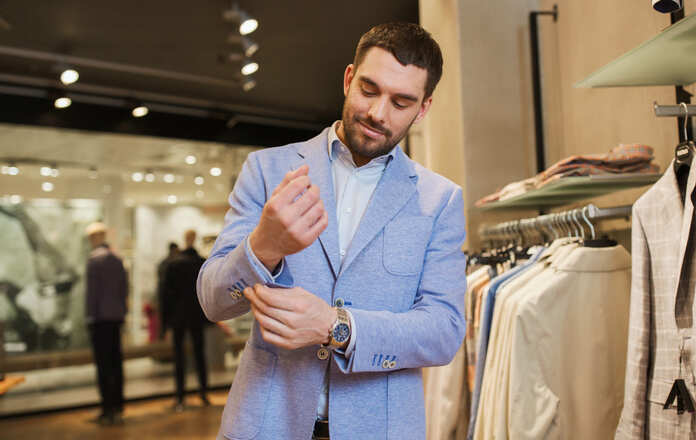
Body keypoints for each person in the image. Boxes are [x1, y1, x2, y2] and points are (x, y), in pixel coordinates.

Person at [197, 22, 467, 440]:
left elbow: (443, 331)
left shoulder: (439, 201)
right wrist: (263, 246)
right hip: (268, 424)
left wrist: (334, 325)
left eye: (401, 102)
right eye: (370, 90)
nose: (378, 113)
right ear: (348, 79)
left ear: (423, 109)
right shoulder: (267, 171)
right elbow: (214, 302)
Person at [84, 222, 128, 425]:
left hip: (100, 319)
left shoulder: (94, 261)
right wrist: (122, 313)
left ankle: (106, 409)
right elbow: (124, 289)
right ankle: (118, 405)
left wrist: (89, 317)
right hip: (116, 318)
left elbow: (92, 295)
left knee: (103, 365)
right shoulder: (117, 260)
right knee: (116, 362)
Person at [163, 229, 210, 411]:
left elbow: (167, 295)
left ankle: (181, 396)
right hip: (196, 315)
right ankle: (202, 393)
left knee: (180, 356)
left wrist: (166, 321)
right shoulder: (201, 263)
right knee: (199, 354)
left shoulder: (174, 264)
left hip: (179, 316)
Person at [156, 242, 180, 340]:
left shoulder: (163, 263)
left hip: (163, 296)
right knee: (174, 326)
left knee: (164, 324)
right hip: (172, 299)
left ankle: (163, 344)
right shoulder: (175, 263)